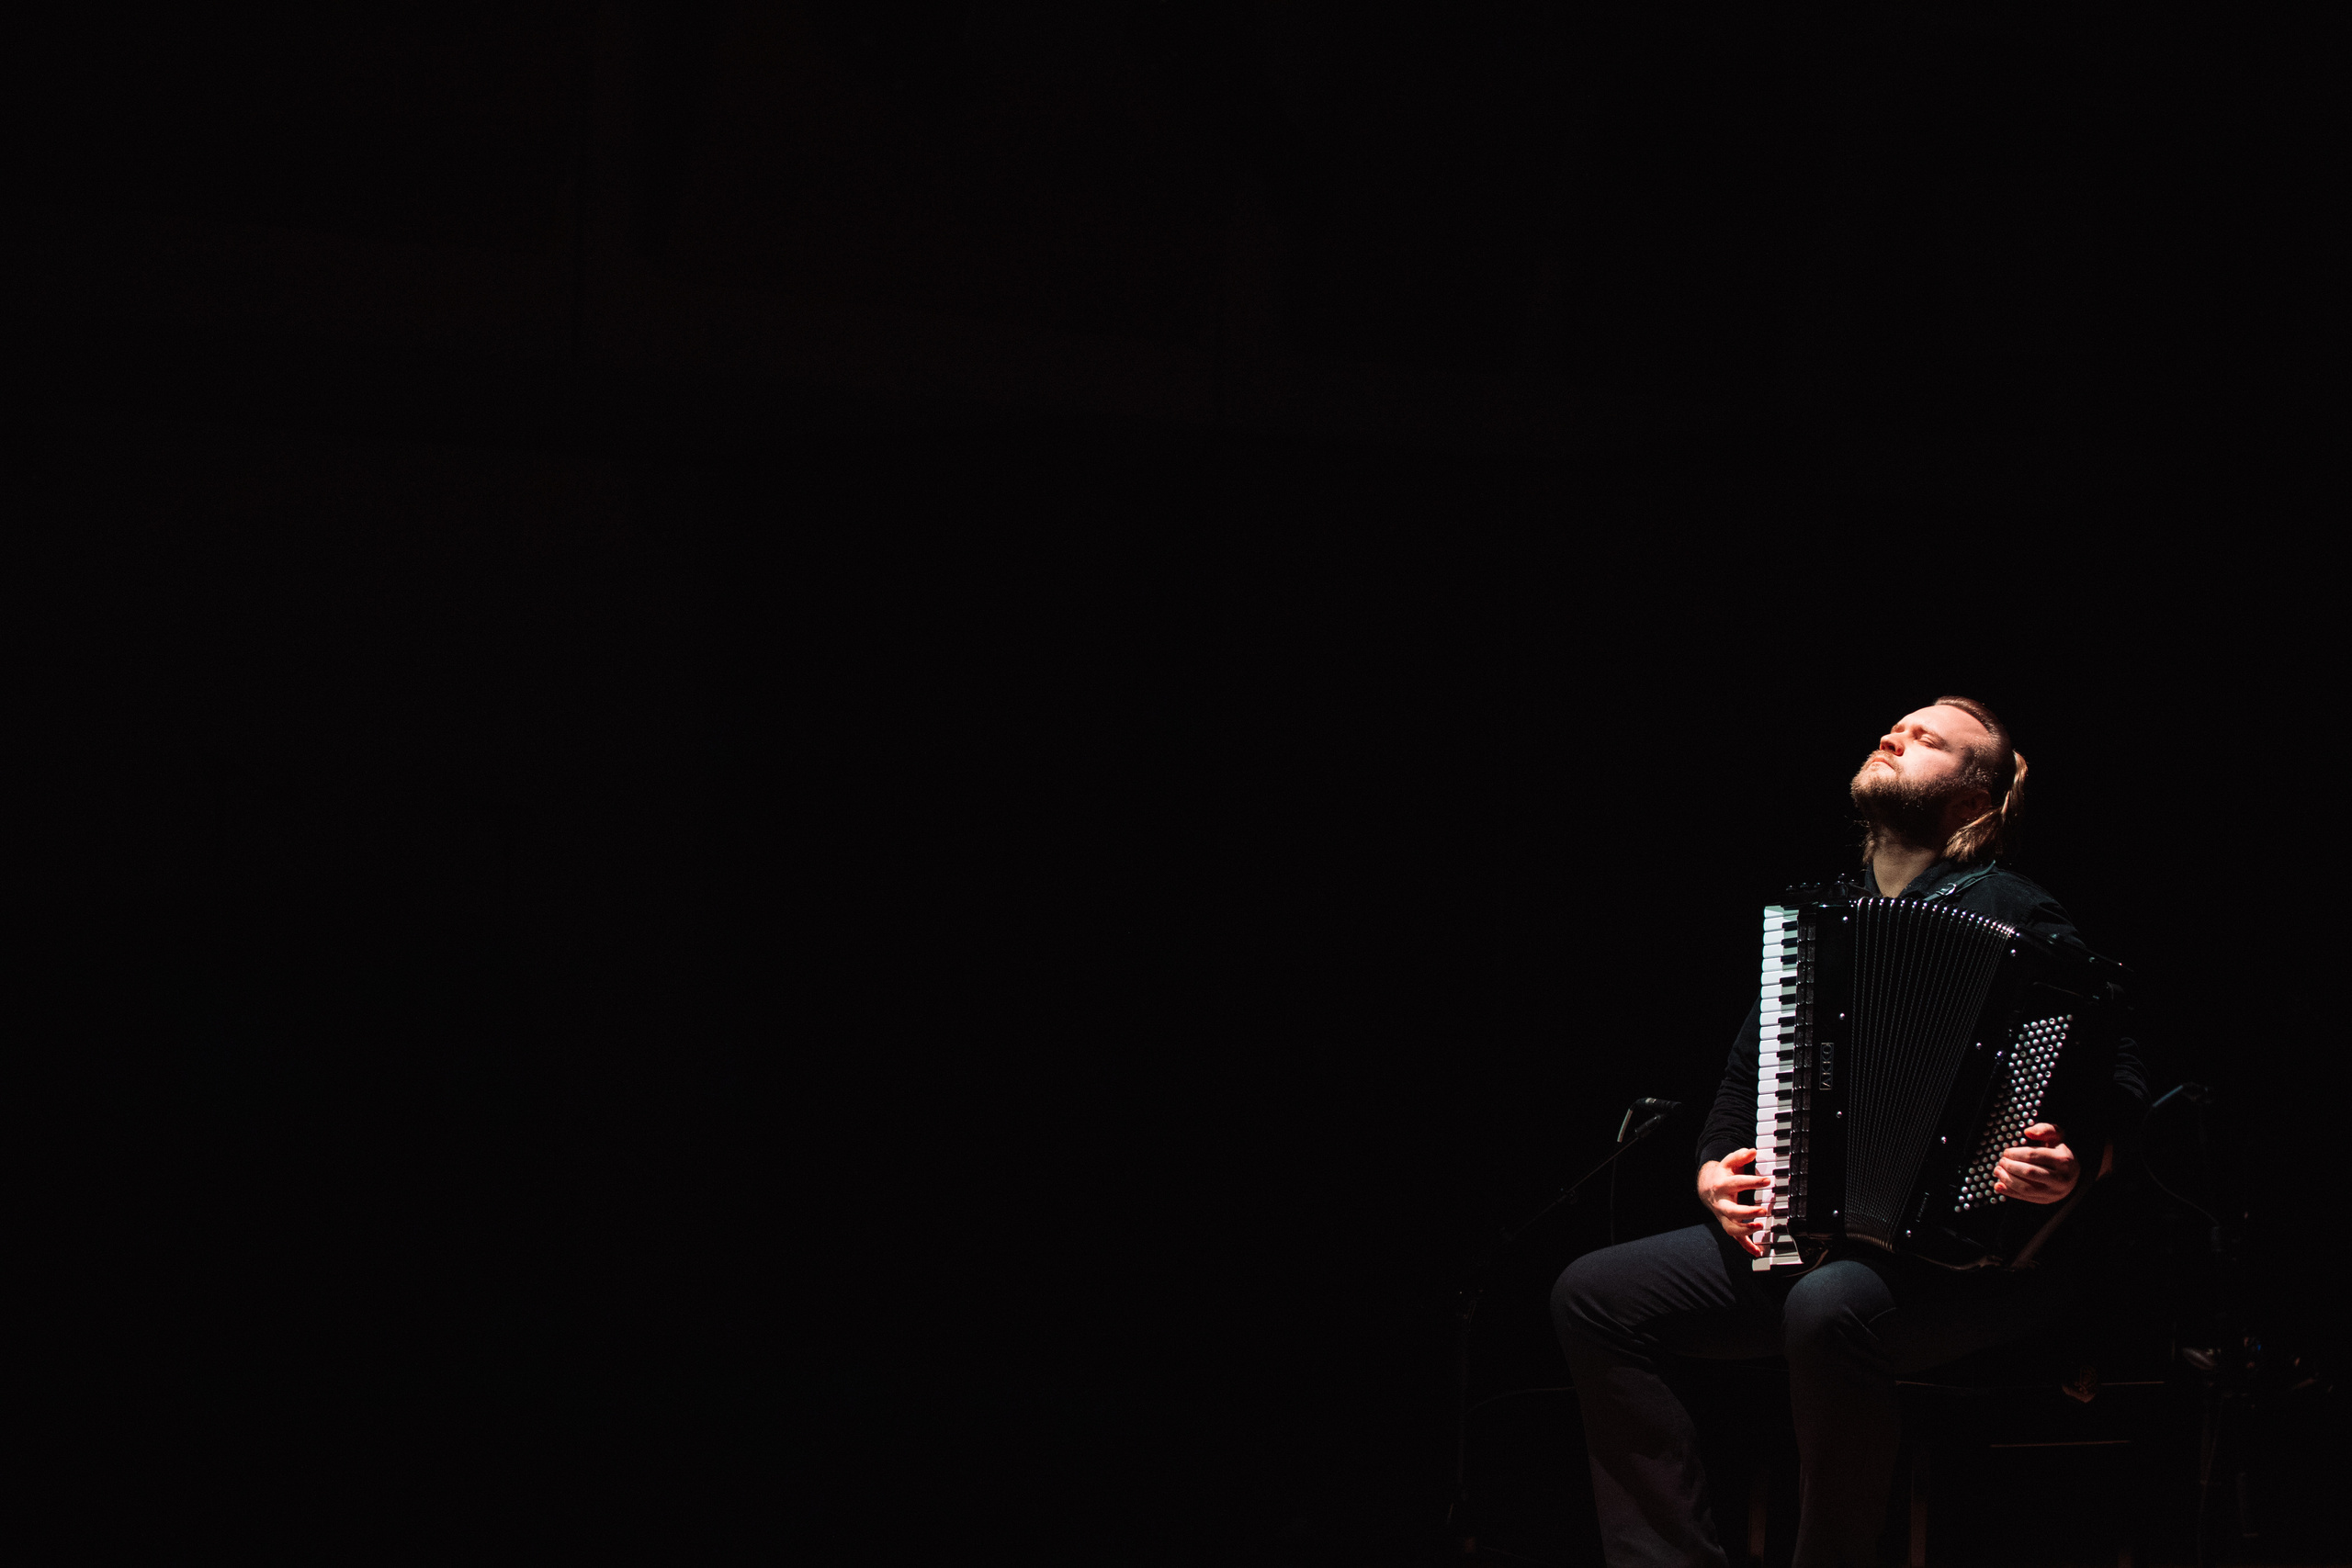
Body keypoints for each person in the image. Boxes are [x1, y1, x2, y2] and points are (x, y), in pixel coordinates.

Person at [1551, 696, 2146, 1568]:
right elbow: (1743, 1078)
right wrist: (1716, 1170)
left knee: (1825, 1306)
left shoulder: (2026, 918)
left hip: (1972, 1262)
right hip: (1818, 1244)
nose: (1894, 735)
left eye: (1929, 740)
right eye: (1894, 728)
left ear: (1976, 798)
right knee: (1594, 1293)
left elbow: (2124, 1084)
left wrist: (2079, 1160)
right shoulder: (1821, 920)